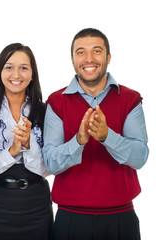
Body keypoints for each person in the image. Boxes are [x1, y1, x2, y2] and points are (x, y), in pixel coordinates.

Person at [43, 28, 149, 240]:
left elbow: (140, 157)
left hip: (121, 218)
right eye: (81, 52)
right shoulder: (56, 102)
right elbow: (51, 163)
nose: (88, 58)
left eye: (97, 51)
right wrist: (79, 141)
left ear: (108, 57)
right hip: (71, 218)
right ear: (72, 60)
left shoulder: (130, 99)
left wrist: (106, 136)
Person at [0, 43, 53, 240]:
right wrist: (11, 151)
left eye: (23, 68)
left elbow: (50, 168)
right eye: (9, 67)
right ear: (0, 71)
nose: (16, 74)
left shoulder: (45, 111)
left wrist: (28, 146)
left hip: (36, 203)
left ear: (32, 74)